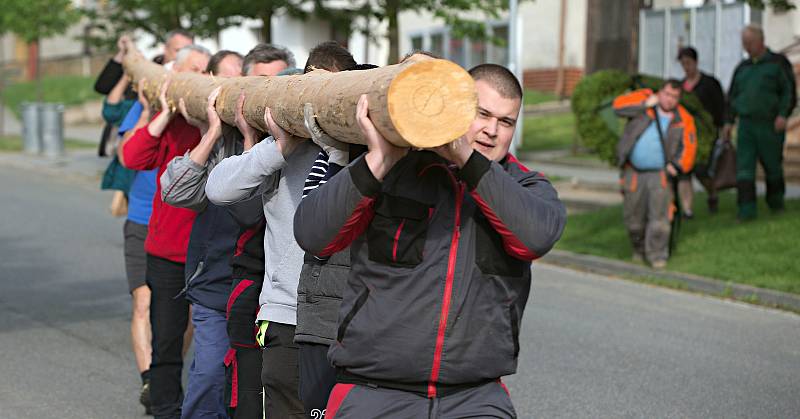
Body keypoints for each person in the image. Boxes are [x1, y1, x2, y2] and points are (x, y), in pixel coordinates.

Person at [292, 64, 565, 418]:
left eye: (506, 121)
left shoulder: (525, 186)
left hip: (475, 397)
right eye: (481, 114)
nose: (492, 130)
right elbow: (313, 235)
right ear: (455, 106)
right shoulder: (393, 169)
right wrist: (378, 159)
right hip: (373, 390)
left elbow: (536, 237)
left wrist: (466, 158)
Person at [159, 44, 295, 419]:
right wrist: (214, 131)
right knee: (208, 379)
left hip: (276, 293)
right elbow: (175, 192)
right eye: (262, 81)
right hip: (218, 285)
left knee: (255, 393)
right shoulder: (225, 139)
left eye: (280, 81)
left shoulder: (302, 141)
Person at [120, 44, 211, 419]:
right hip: (169, 251)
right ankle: (164, 408)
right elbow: (134, 157)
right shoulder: (172, 121)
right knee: (168, 340)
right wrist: (161, 111)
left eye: (208, 71)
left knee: (211, 340)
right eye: (194, 70)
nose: (202, 79)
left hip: (214, 253)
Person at [613, 80, 697, 269]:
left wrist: (678, 165)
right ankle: (638, 249)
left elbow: (689, 146)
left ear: (679, 99)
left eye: (674, 96)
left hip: (660, 174)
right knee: (633, 216)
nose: (669, 100)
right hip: (633, 171)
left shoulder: (683, 118)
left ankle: (657, 255)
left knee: (660, 218)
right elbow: (617, 107)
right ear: (660, 93)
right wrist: (644, 104)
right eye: (666, 94)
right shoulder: (645, 103)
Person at [724, 25, 797, 221]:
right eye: (744, 43)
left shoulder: (778, 63)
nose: (746, 47)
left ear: (760, 41)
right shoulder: (742, 68)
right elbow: (732, 96)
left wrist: (783, 114)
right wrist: (728, 122)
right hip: (746, 125)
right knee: (744, 168)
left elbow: (788, 92)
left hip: (770, 125)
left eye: (750, 43)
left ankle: (776, 202)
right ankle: (746, 210)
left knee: (772, 166)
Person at [677, 46, 726, 215]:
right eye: (683, 64)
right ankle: (687, 209)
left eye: (688, 63)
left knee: (701, 170)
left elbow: (721, 107)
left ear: (696, 62)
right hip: (686, 134)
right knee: (685, 171)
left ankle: (712, 193)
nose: (686, 67)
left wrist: (722, 127)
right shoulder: (680, 87)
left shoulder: (710, 84)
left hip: (706, 134)